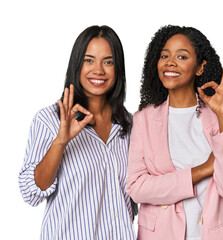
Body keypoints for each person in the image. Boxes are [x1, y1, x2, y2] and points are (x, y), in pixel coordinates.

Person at [126, 25, 223, 240]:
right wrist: (203, 169)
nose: (170, 62)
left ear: (200, 68)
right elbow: (136, 188)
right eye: (164, 55)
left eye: (182, 56)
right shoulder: (143, 120)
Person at [19, 25, 136, 240]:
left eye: (108, 62)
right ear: (76, 64)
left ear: (118, 68)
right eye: (88, 60)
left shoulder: (129, 125)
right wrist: (60, 142)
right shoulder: (49, 120)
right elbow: (30, 193)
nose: (98, 70)